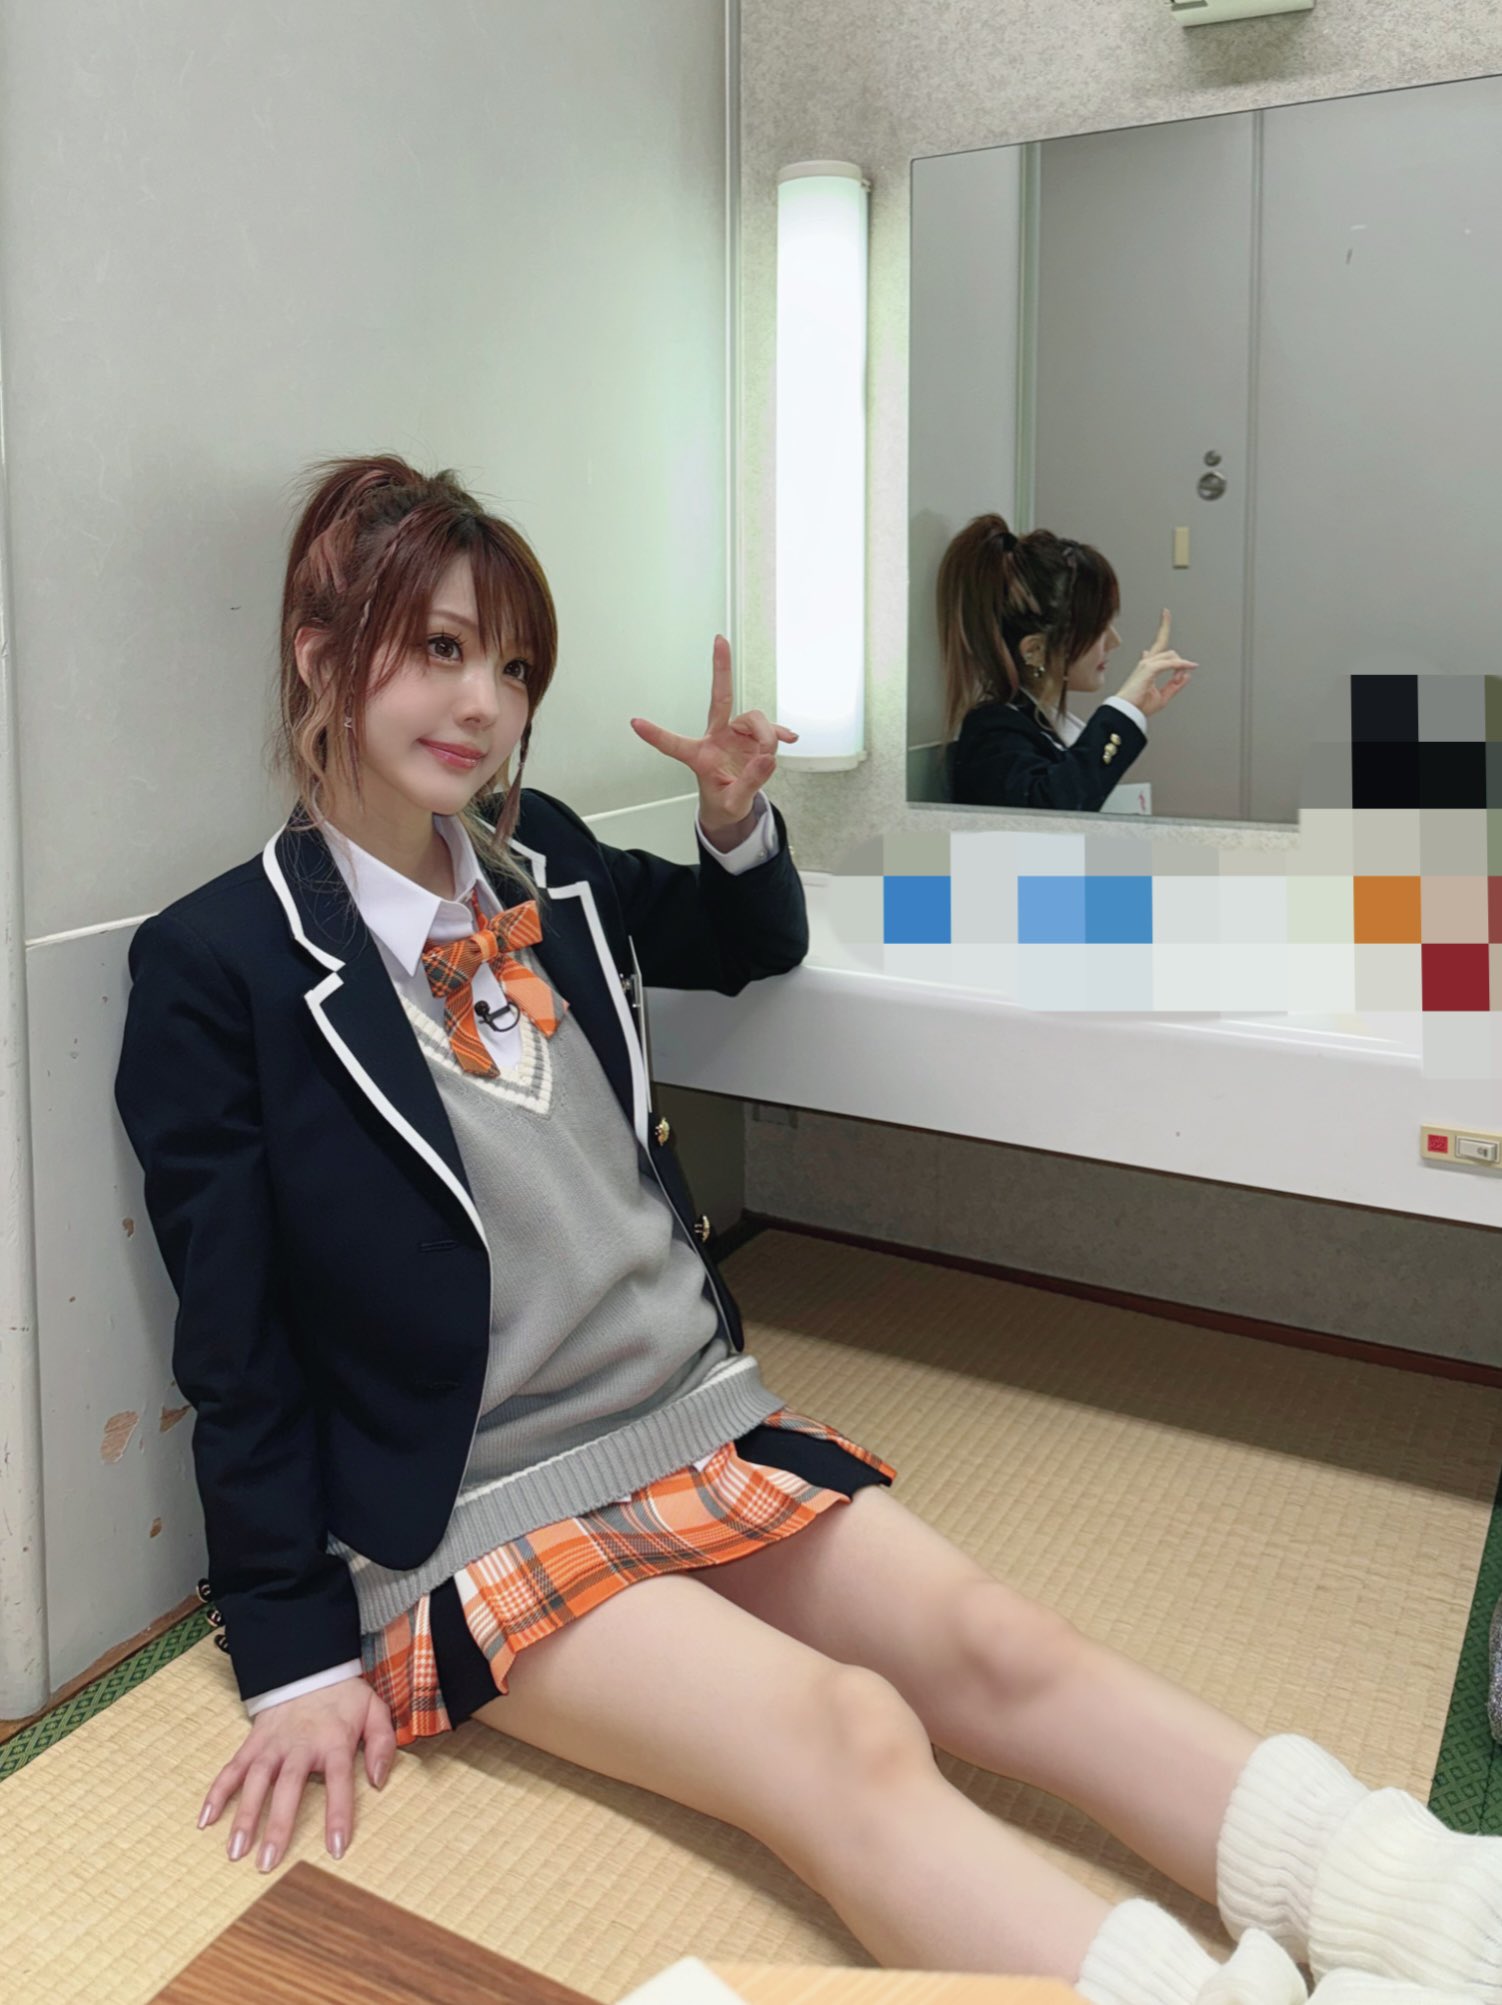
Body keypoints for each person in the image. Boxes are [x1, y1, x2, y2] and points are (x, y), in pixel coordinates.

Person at [115, 455, 1497, 2005]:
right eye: (438, 648)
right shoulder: (219, 964)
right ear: (318, 653)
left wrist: (732, 821)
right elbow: (232, 1345)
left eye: (511, 663)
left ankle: (1429, 1906)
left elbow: (744, 938)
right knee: (843, 1735)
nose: (484, 702)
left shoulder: (542, 855)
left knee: (1002, 1640)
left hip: (693, 1417)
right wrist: (295, 1655)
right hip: (478, 1503)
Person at [938, 514, 1195, 812]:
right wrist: (1123, 709)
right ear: (1034, 650)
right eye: (1098, 629)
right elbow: (1053, 809)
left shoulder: (1040, 723)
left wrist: (1133, 709)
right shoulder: (993, 734)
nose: (1115, 641)